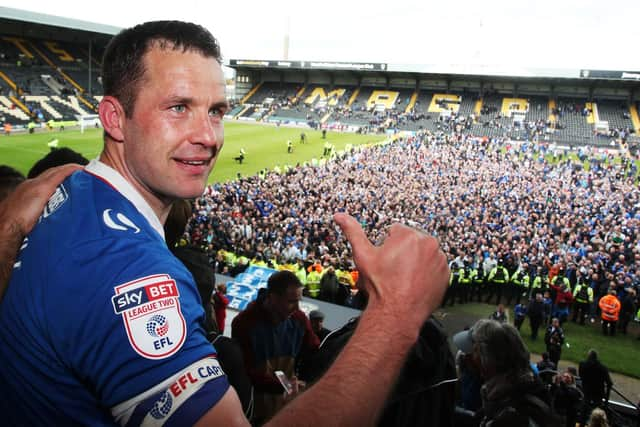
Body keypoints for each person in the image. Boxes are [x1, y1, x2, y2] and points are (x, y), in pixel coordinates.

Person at [0, 20, 449, 427]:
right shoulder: (128, 272)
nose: (209, 136)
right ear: (115, 118)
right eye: (178, 107)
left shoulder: (69, 195)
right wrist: (395, 315)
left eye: (215, 111)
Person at [231, 270, 320, 422]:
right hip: (252, 411)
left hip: (286, 408)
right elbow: (245, 372)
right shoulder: (244, 323)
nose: (297, 307)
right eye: (291, 301)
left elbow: (314, 352)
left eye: (299, 301)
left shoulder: (299, 319)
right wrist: (286, 387)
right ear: (272, 297)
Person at [452, 319, 560, 427]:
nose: (469, 358)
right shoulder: (518, 387)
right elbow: (479, 418)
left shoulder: (515, 415)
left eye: (475, 351)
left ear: (489, 359)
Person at [578, 349, 612, 427]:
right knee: (597, 415)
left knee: (583, 413)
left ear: (588, 356)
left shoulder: (583, 364)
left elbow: (581, 376)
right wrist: (606, 400)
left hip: (587, 392)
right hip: (598, 394)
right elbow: (609, 384)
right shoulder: (603, 368)